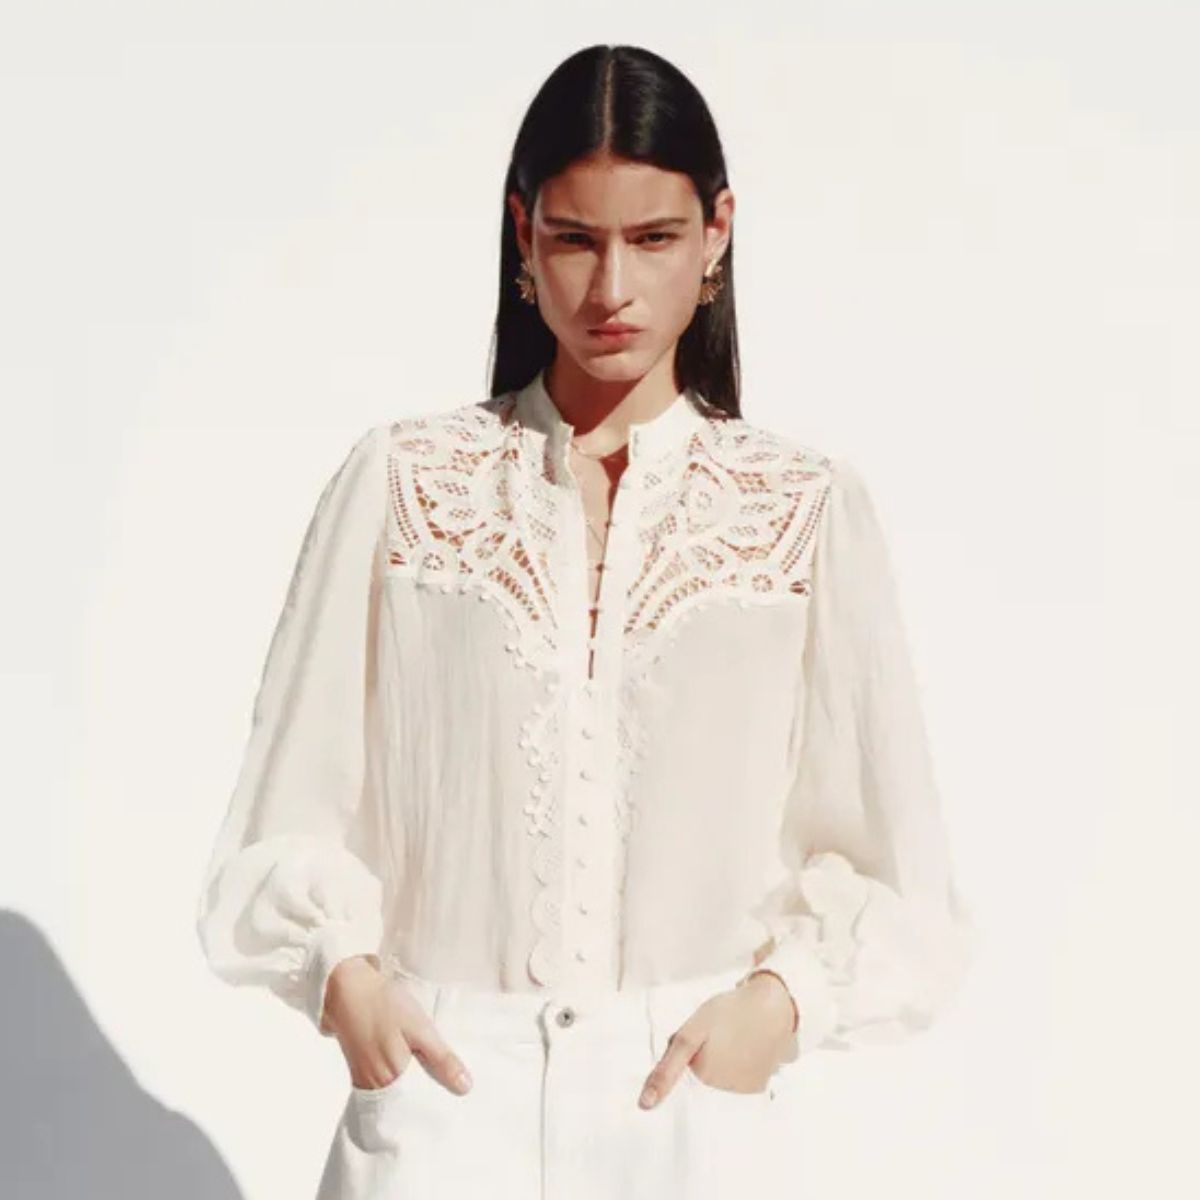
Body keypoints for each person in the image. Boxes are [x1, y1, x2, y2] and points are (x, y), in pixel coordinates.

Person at [195, 42, 975, 1200]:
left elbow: (904, 875)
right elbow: (280, 815)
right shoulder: (406, 483)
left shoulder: (802, 510)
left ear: (716, 235)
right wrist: (342, 975)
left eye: (653, 239)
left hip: (689, 1110)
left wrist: (780, 1005)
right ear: (523, 237)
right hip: (446, 1100)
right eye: (575, 239)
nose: (612, 289)